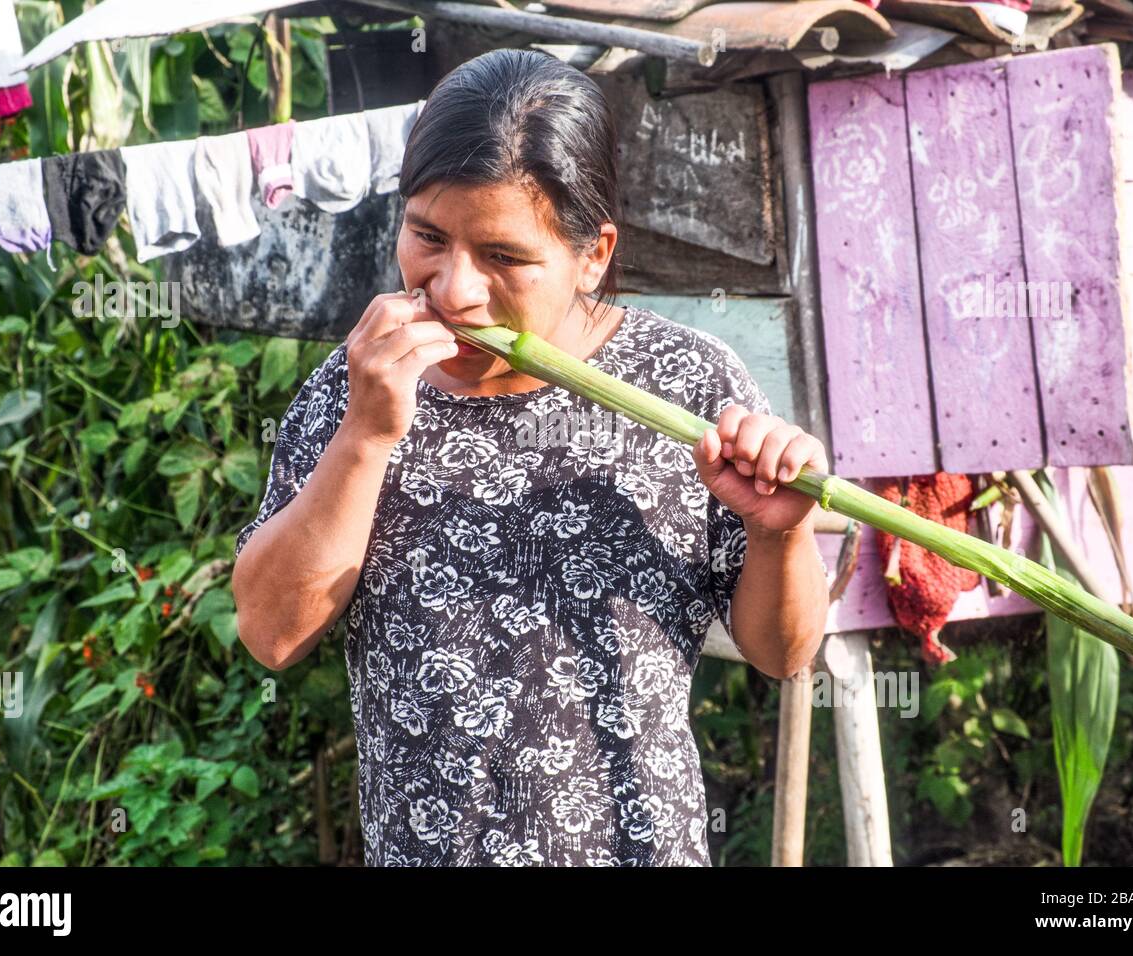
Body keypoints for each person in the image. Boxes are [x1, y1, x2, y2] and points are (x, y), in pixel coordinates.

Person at [231, 48, 831, 866]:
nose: (454, 290)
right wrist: (365, 437)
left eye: (505, 257)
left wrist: (779, 534)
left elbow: (783, 653)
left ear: (594, 254)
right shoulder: (362, 383)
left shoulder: (688, 385)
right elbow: (270, 633)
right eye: (427, 237)